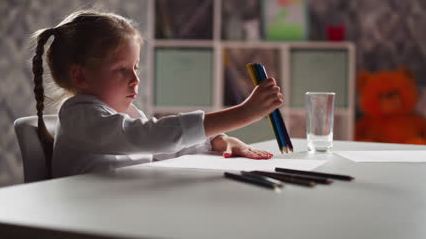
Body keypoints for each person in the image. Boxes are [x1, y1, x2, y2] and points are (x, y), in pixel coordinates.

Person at [30, 9, 283, 178]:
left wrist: (217, 141)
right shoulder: (79, 117)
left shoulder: (123, 113)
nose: (135, 79)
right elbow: (154, 137)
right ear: (80, 76)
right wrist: (243, 113)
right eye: (121, 69)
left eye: (135, 67)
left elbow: (166, 148)